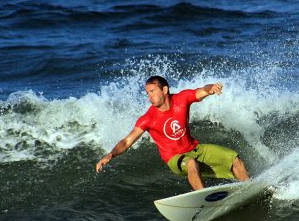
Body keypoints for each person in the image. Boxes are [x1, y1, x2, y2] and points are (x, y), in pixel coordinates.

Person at [95, 75, 249, 190]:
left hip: (195, 149)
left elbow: (202, 90)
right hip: (175, 158)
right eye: (147, 93)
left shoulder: (182, 99)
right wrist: (111, 155)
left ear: (164, 90)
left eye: (152, 91)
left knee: (234, 158)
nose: (149, 96)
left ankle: (247, 188)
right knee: (191, 163)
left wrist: (211, 89)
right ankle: (204, 199)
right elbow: (127, 141)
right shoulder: (148, 119)